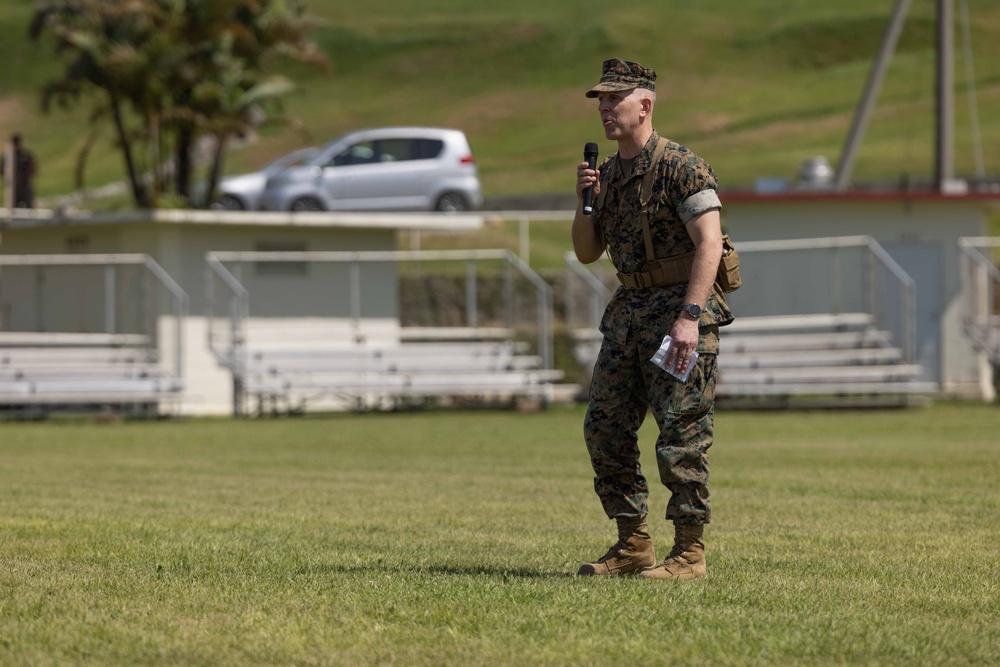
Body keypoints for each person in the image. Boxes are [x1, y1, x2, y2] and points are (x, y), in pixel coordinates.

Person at [572, 58, 733, 580]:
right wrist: (585, 202)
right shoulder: (609, 175)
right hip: (628, 317)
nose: (603, 108)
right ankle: (632, 543)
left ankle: (689, 552)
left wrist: (689, 316)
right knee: (605, 428)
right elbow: (586, 253)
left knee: (681, 435)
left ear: (644, 104)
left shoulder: (682, 166)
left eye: (613, 99)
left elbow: (709, 243)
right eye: (599, 99)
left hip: (679, 315)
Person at [1, 133, 38, 209]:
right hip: (13, 186)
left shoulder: (26, 155)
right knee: (12, 207)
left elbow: (33, 169)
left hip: (24, 185)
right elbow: (2, 171)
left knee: (29, 206)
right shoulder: (8, 158)